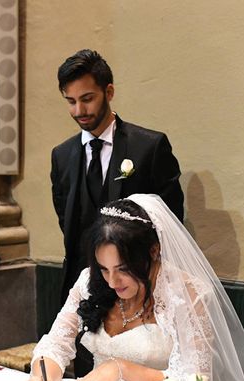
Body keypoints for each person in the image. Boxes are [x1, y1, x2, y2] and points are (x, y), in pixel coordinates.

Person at [22, 194, 244, 381]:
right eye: (104, 269)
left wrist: (121, 369)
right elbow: (56, 344)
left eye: (123, 269)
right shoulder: (89, 282)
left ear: (154, 251)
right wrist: (41, 379)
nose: (112, 282)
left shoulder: (188, 296)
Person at [51, 49, 184, 305]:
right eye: (71, 101)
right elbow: (66, 220)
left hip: (139, 286)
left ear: (109, 92)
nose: (79, 110)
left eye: (87, 98)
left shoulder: (149, 147)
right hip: (83, 287)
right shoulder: (61, 156)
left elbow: (170, 223)